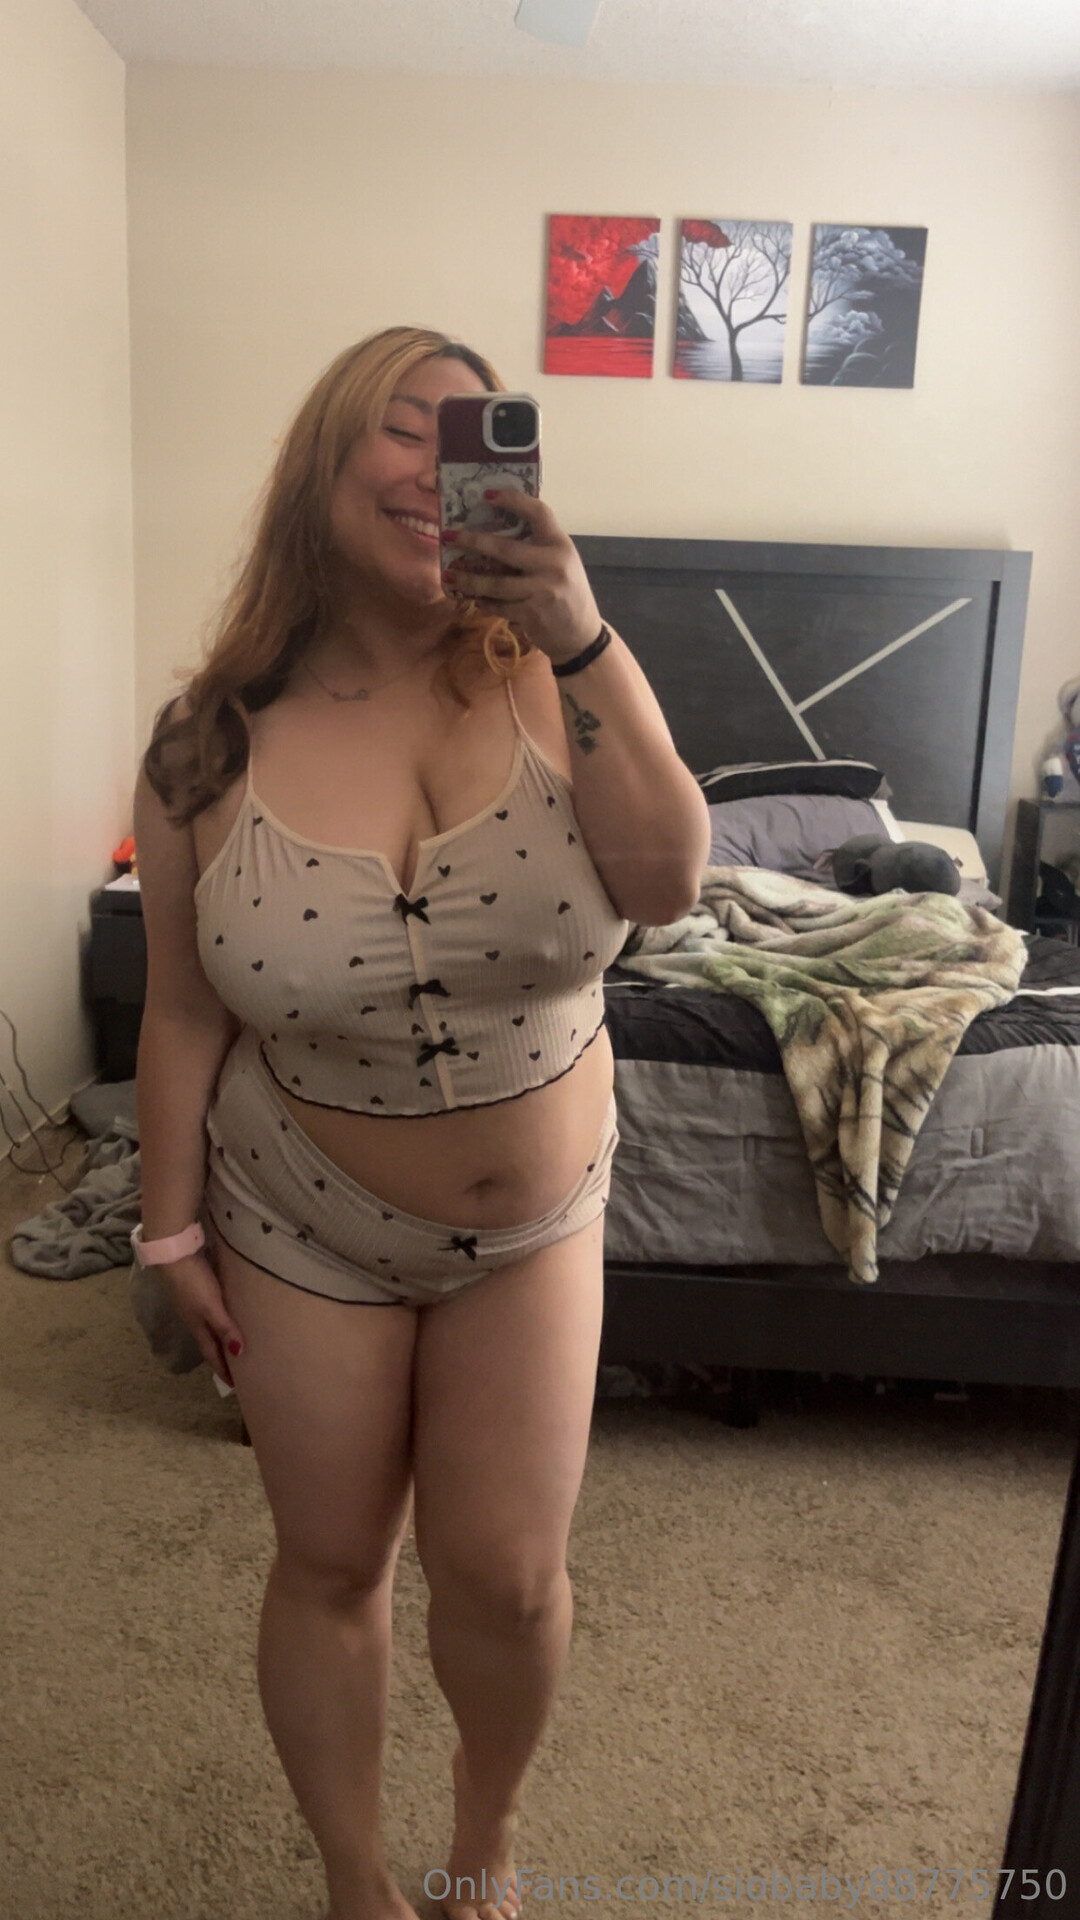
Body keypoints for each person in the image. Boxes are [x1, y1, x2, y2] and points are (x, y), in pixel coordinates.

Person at [132, 325, 711, 1920]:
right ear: (321, 463)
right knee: (329, 1565)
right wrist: (166, 1232)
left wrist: (584, 636)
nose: (437, 464)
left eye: (477, 434)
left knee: (509, 1583)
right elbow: (181, 1009)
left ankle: (485, 1833)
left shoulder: (559, 676)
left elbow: (669, 885)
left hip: (533, 1226)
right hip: (298, 1217)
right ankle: (356, 1883)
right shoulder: (204, 741)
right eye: (404, 426)